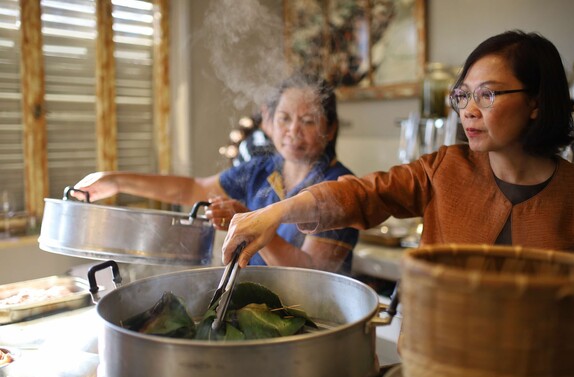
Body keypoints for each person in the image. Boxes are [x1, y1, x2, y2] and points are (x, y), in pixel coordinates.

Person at [222, 31, 574, 377]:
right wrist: (276, 212)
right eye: (463, 94)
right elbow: (363, 193)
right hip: (434, 368)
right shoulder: (445, 168)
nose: (469, 109)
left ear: (536, 101)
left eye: (488, 94)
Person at [72, 73, 359, 273]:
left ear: (330, 128)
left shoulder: (340, 188)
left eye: (308, 121)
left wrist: (254, 222)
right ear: (269, 122)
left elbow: (312, 276)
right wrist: (116, 180)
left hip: (312, 323)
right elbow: (192, 190)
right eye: (284, 118)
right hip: (256, 307)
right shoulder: (262, 169)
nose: (293, 131)